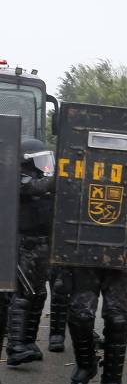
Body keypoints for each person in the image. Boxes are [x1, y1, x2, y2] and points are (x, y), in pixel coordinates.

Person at [7, 139, 55, 366]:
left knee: (39, 294)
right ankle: (14, 347)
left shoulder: (42, 179)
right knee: (21, 294)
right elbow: (34, 187)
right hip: (22, 243)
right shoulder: (17, 177)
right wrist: (58, 179)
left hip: (43, 242)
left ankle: (28, 342)